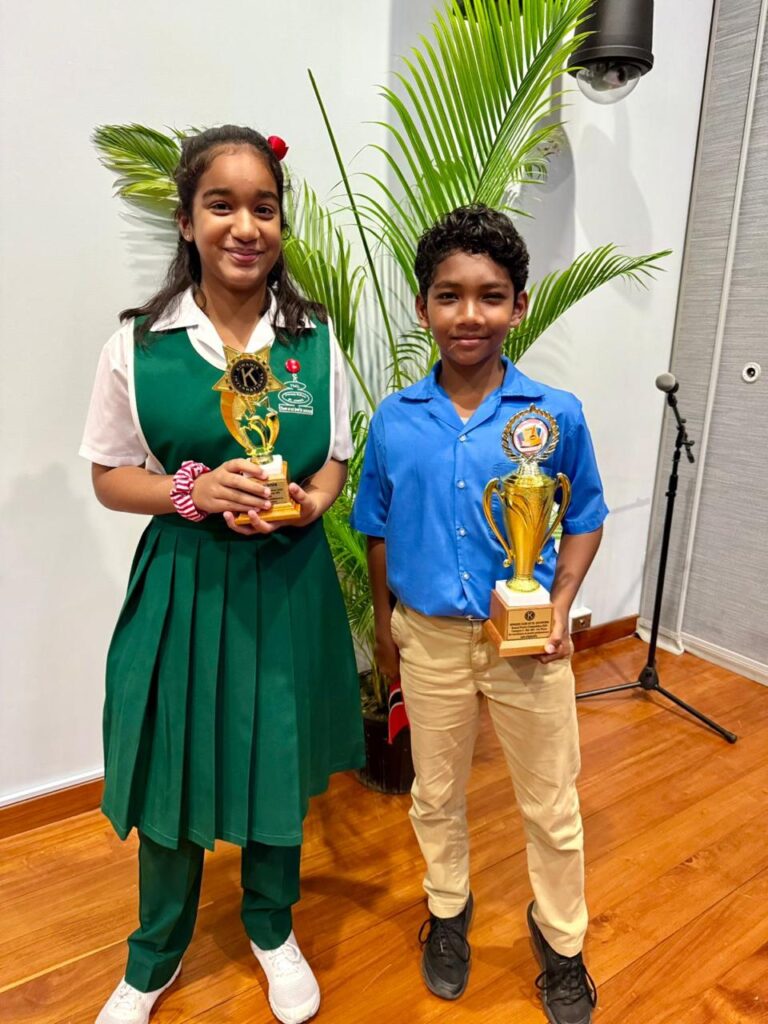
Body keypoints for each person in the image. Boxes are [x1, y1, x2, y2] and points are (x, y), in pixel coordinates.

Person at [80, 125, 364, 1024]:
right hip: (186, 584)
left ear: (281, 222)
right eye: (222, 204)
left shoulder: (315, 341)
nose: (247, 226)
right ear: (187, 220)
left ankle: (273, 928)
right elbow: (109, 477)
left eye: (264, 207)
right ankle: (153, 956)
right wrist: (192, 491)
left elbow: (334, 459)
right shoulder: (137, 345)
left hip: (287, 581)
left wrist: (312, 504)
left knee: (278, 757)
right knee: (172, 764)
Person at [351, 205, 608, 1024]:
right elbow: (376, 530)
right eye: (449, 295)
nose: (470, 315)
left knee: (552, 802)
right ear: (423, 306)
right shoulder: (395, 420)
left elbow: (585, 514)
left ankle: (562, 941)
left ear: (519, 305)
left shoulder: (554, 415)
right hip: (428, 640)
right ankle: (448, 908)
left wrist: (559, 606)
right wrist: (387, 635)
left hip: (528, 645)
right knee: (435, 793)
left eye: (490, 296)